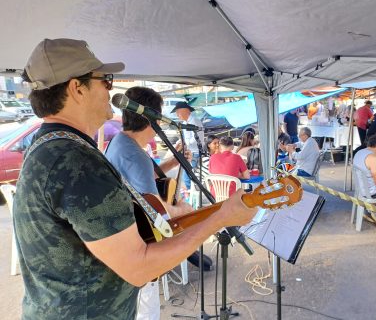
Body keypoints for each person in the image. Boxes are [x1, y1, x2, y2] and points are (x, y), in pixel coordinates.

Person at [13, 38, 257, 319]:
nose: (110, 87)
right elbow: (139, 267)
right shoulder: (76, 163)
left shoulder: (52, 145)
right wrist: (221, 217)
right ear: (76, 88)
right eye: (105, 79)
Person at [105, 86, 193, 319]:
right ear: (154, 119)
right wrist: (183, 210)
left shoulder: (119, 142)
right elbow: (156, 211)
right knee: (146, 310)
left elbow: (141, 181)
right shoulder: (136, 156)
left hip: (122, 240)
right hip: (138, 243)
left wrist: (173, 163)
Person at [172, 101, 204, 190]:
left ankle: (191, 195)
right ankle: (190, 194)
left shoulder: (194, 121)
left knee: (188, 176)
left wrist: (184, 143)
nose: (177, 115)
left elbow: (197, 139)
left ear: (185, 111)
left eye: (178, 112)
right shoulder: (186, 123)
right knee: (186, 176)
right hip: (190, 152)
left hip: (194, 153)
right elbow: (186, 137)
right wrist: (179, 142)